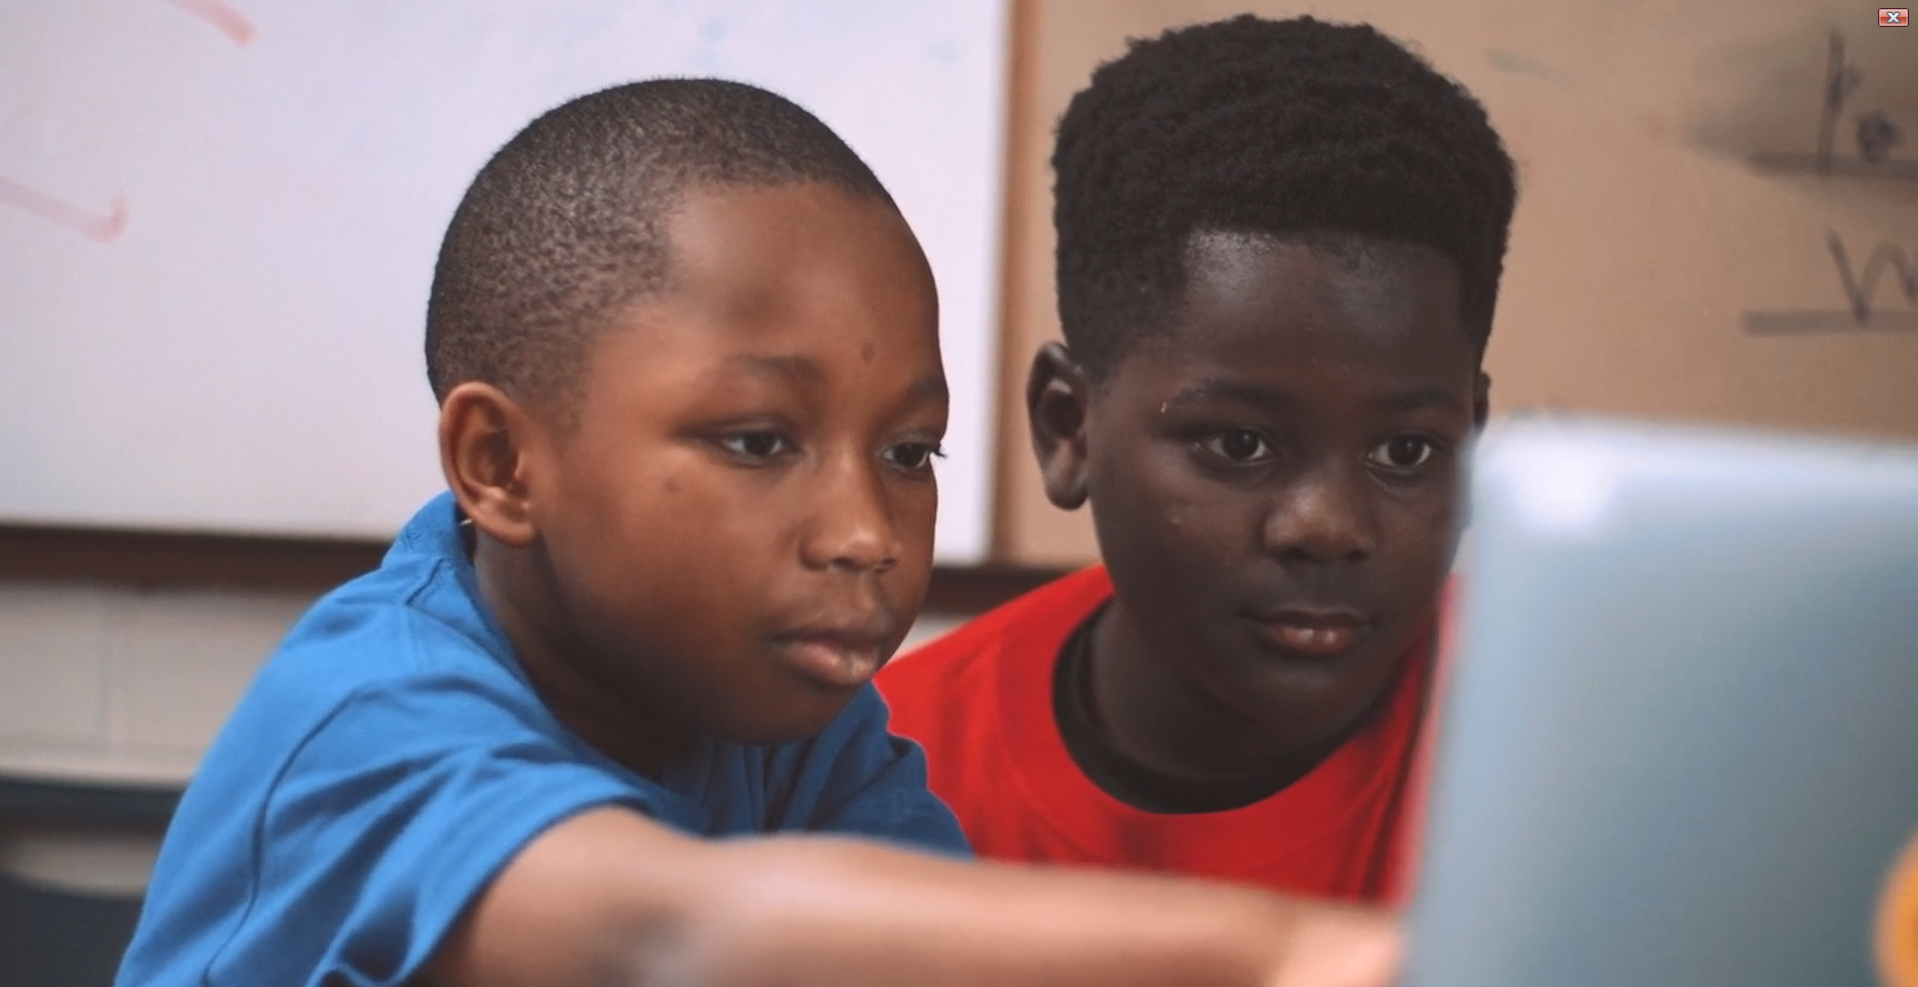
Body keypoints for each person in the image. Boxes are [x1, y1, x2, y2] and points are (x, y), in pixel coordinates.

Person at [114, 78, 1400, 987]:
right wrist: (1286, 955)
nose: (864, 535)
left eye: (908, 455)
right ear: (501, 465)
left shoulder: (798, 730)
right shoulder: (369, 722)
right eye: (757, 442)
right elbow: (663, 945)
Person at [879, 14, 1518, 905]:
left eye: (1405, 450)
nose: (1328, 526)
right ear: (1069, 428)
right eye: (1239, 444)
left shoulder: (1557, 748)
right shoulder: (879, 776)